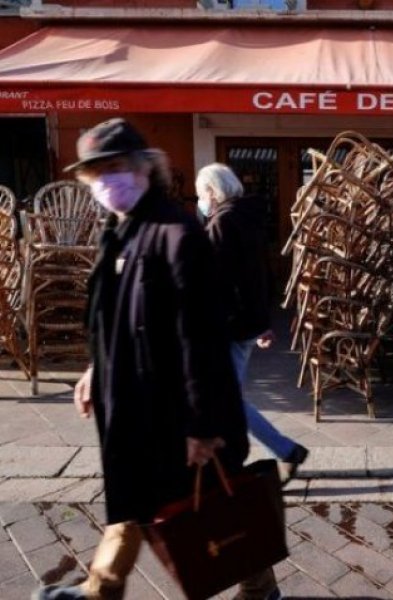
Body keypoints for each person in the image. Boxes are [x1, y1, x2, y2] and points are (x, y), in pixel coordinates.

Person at [33, 119, 281, 600]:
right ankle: (105, 590)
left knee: (193, 501)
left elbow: (201, 335)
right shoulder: (120, 232)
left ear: (145, 169)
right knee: (145, 500)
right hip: (136, 406)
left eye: (116, 167)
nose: (107, 179)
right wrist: (94, 368)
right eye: (96, 172)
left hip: (177, 413)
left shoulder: (177, 232)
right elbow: (113, 320)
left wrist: (203, 425)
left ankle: (103, 591)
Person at [195, 163, 308, 482]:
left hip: (229, 326)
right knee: (226, 398)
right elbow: (259, 276)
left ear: (212, 192)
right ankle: (283, 451)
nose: (200, 200)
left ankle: (284, 451)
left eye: (201, 192)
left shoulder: (223, 223)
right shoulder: (248, 220)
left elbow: (218, 282)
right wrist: (261, 321)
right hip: (244, 324)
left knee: (225, 400)